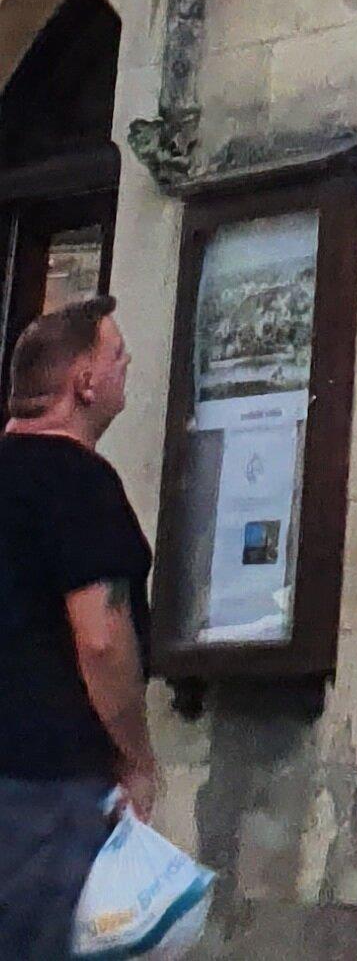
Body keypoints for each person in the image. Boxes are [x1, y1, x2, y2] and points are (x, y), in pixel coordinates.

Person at [0, 297, 155, 961]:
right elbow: (101, 637)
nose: (127, 367)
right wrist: (137, 755)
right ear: (84, 381)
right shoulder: (79, 481)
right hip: (46, 784)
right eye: (116, 354)